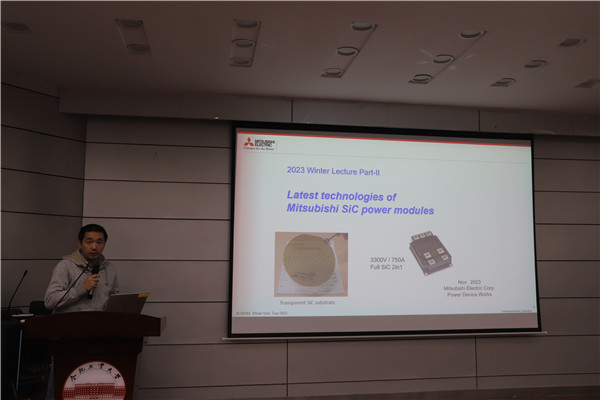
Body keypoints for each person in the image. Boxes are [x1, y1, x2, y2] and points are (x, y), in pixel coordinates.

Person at [44, 224, 119, 313]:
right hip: (71, 321)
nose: (94, 247)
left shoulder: (109, 268)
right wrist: (82, 288)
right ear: (80, 243)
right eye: (89, 242)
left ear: (104, 244)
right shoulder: (65, 266)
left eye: (99, 242)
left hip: (99, 321)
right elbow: (49, 301)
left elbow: (114, 299)